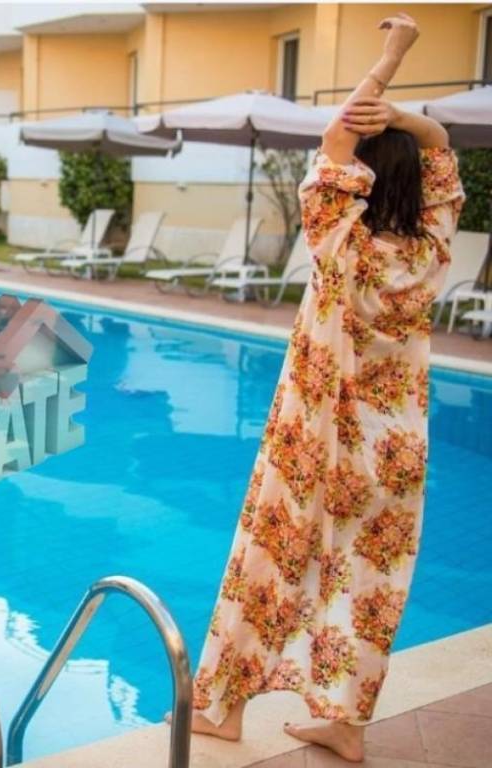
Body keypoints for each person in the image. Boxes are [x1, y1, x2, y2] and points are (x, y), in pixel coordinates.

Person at [187, 13, 465, 763]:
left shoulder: (339, 238)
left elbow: (338, 136)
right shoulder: (432, 251)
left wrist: (391, 56)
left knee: (266, 563)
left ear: (362, 179)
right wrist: (407, 119)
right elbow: (440, 147)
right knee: (368, 584)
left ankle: (222, 708)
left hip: (315, 441)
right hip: (392, 452)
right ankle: (344, 723)